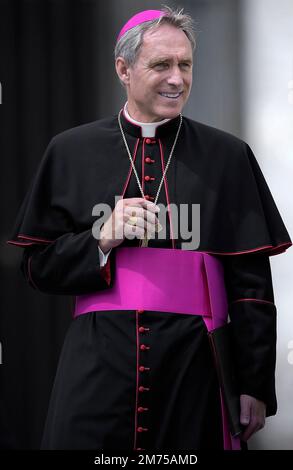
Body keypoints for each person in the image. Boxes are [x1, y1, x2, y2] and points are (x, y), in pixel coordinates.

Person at [8, 6, 291, 450]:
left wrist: (254, 381)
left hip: (196, 365)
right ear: (123, 68)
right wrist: (100, 238)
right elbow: (37, 266)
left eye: (185, 64)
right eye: (161, 65)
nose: (176, 78)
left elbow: (251, 284)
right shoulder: (70, 151)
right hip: (99, 364)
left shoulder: (227, 156)